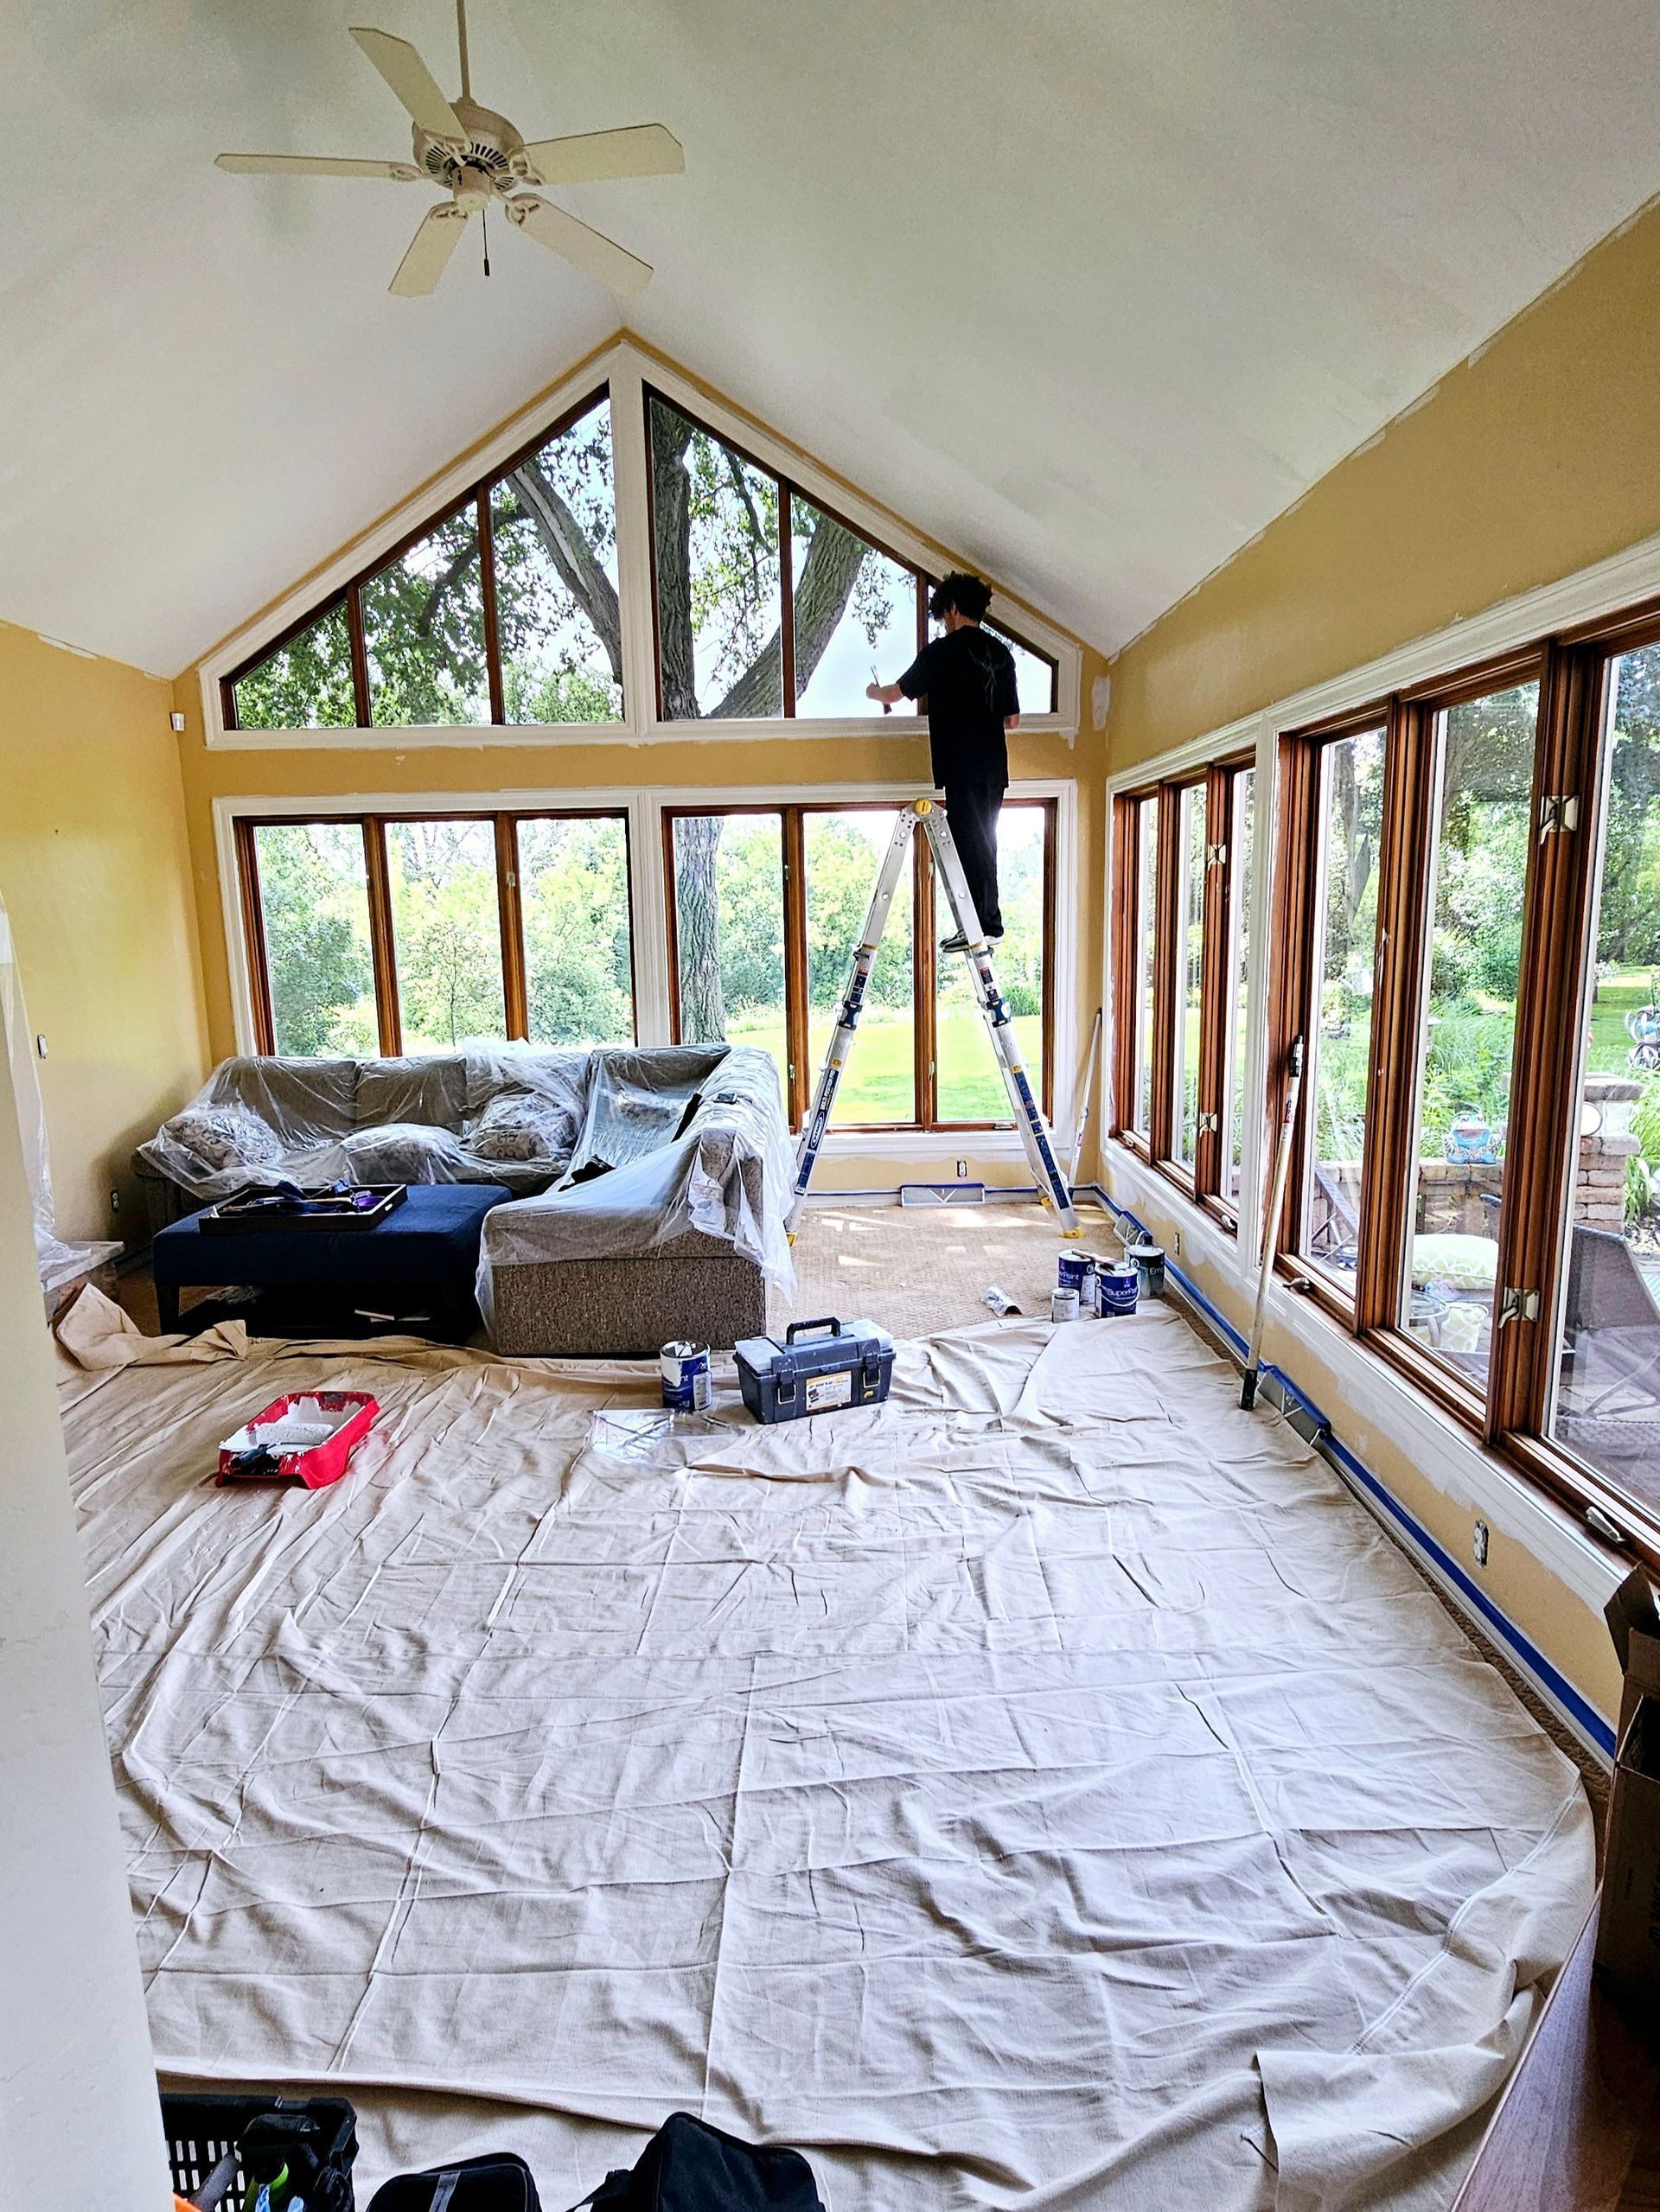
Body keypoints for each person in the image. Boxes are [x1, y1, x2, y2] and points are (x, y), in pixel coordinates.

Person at [866, 571, 1019, 947]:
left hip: (961, 764)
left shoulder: (942, 651)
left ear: (952, 608)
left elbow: (897, 692)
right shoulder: (1001, 654)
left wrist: (873, 692)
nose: (944, 622)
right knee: (985, 840)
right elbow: (1012, 720)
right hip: (993, 767)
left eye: (943, 614)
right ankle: (986, 923)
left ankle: (982, 928)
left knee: (968, 842)